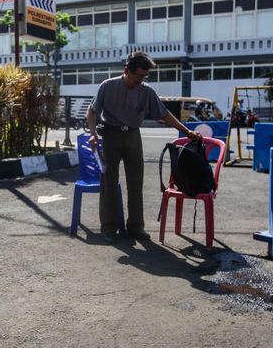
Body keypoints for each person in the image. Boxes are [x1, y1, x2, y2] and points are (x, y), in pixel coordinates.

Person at [86, 51, 201, 243]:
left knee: (135, 183)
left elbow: (164, 115)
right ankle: (108, 227)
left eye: (144, 76)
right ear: (126, 71)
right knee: (109, 183)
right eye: (137, 75)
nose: (140, 80)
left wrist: (186, 131)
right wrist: (92, 133)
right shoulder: (108, 86)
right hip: (110, 135)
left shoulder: (146, 91)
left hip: (132, 136)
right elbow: (92, 111)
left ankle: (136, 227)